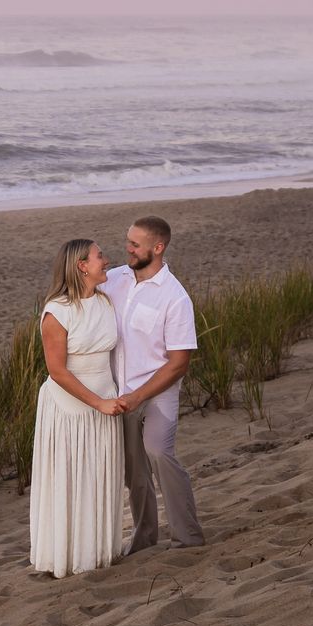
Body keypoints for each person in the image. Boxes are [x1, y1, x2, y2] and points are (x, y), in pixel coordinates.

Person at [103, 215, 204, 552]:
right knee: (134, 471)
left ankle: (187, 535)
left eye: (135, 244)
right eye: (128, 241)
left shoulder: (175, 298)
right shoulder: (114, 279)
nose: (127, 248)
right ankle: (145, 538)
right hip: (119, 393)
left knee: (159, 451)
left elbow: (178, 365)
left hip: (157, 392)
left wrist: (138, 396)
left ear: (157, 247)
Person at [29, 238, 129, 578]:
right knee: (70, 478)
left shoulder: (104, 301)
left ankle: (98, 552)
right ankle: (67, 556)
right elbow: (57, 371)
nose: (106, 260)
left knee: (99, 474)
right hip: (70, 405)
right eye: (99, 256)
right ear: (81, 266)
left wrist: (111, 399)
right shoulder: (57, 312)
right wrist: (97, 402)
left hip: (106, 398)